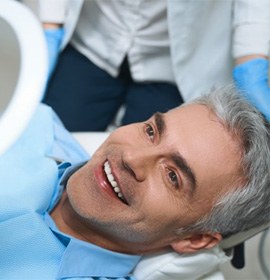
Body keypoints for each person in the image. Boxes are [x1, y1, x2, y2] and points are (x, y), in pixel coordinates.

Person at [0, 86, 270, 279]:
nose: (131, 157)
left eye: (172, 176)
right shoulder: (32, 122)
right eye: (151, 131)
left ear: (194, 238)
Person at [36, 0, 270, 131]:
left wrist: (251, 58)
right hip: (93, 37)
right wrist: (50, 24)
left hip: (172, 63)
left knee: (146, 178)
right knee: (48, 143)